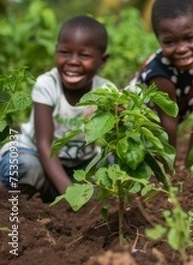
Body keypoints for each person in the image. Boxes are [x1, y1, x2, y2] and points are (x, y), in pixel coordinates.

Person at [0, 15, 112, 203]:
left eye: (84, 55)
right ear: (56, 52)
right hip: (35, 154)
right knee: (25, 166)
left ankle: (52, 195)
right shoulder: (47, 84)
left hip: (79, 164)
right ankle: (13, 199)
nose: (73, 61)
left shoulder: (105, 92)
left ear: (103, 60)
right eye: (65, 52)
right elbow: (45, 145)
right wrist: (72, 197)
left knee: (112, 166)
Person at [129, 0, 193, 168]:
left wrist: (192, 163)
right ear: (159, 41)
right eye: (170, 42)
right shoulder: (159, 73)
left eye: (189, 38)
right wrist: (170, 169)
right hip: (139, 123)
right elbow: (168, 121)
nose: (181, 49)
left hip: (167, 122)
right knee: (138, 165)